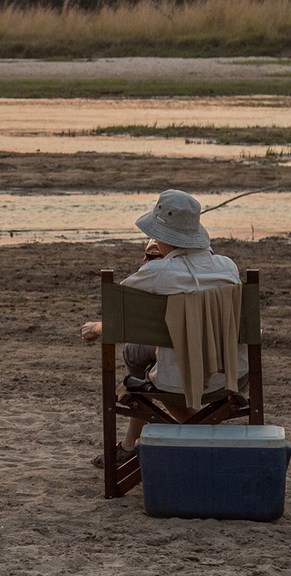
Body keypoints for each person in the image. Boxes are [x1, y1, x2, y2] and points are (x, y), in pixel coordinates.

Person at [80, 189, 246, 467]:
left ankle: (205, 439)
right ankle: (139, 444)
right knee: (151, 359)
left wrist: (95, 328)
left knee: (147, 371)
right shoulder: (228, 267)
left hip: (177, 381)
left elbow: (120, 314)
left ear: (163, 237)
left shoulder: (158, 273)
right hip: (234, 374)